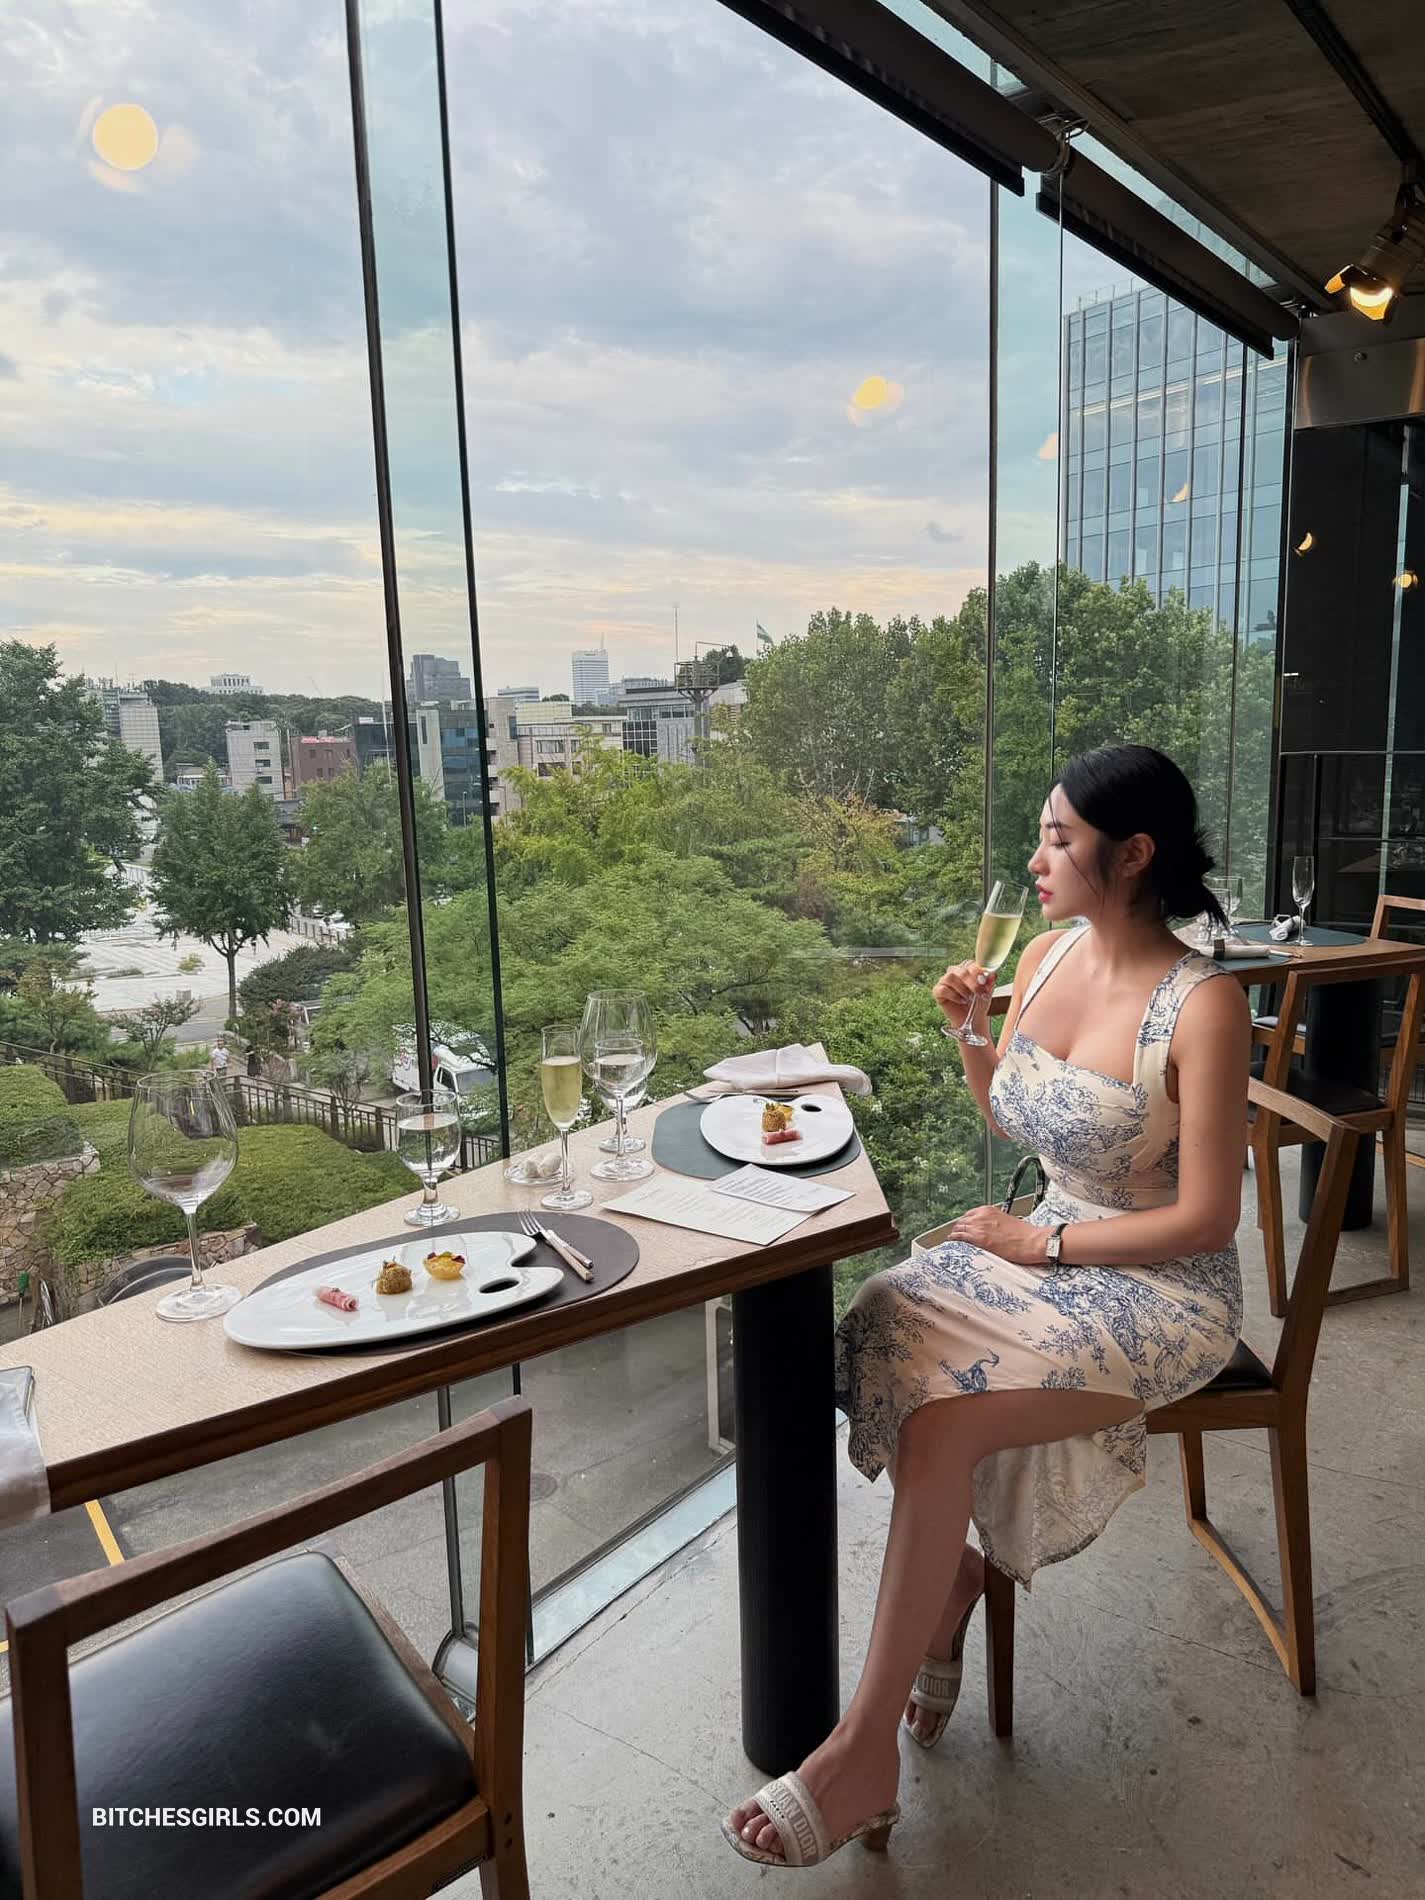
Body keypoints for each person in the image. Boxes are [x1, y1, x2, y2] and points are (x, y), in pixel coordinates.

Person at [724, 743, 1250, 1868]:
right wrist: (970, 1029)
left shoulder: (1204, 1005)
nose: (1036, 857)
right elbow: (1016, 1116)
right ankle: (954, 1577)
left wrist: (1038, 1240)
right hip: (1047, 1243)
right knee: (882, 1309)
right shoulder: (1049, 956)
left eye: (1059, 838)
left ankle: (859, 1752)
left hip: (1158, 1286)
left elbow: (1209, 1220)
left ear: (1134, 854)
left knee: (941, 1421)